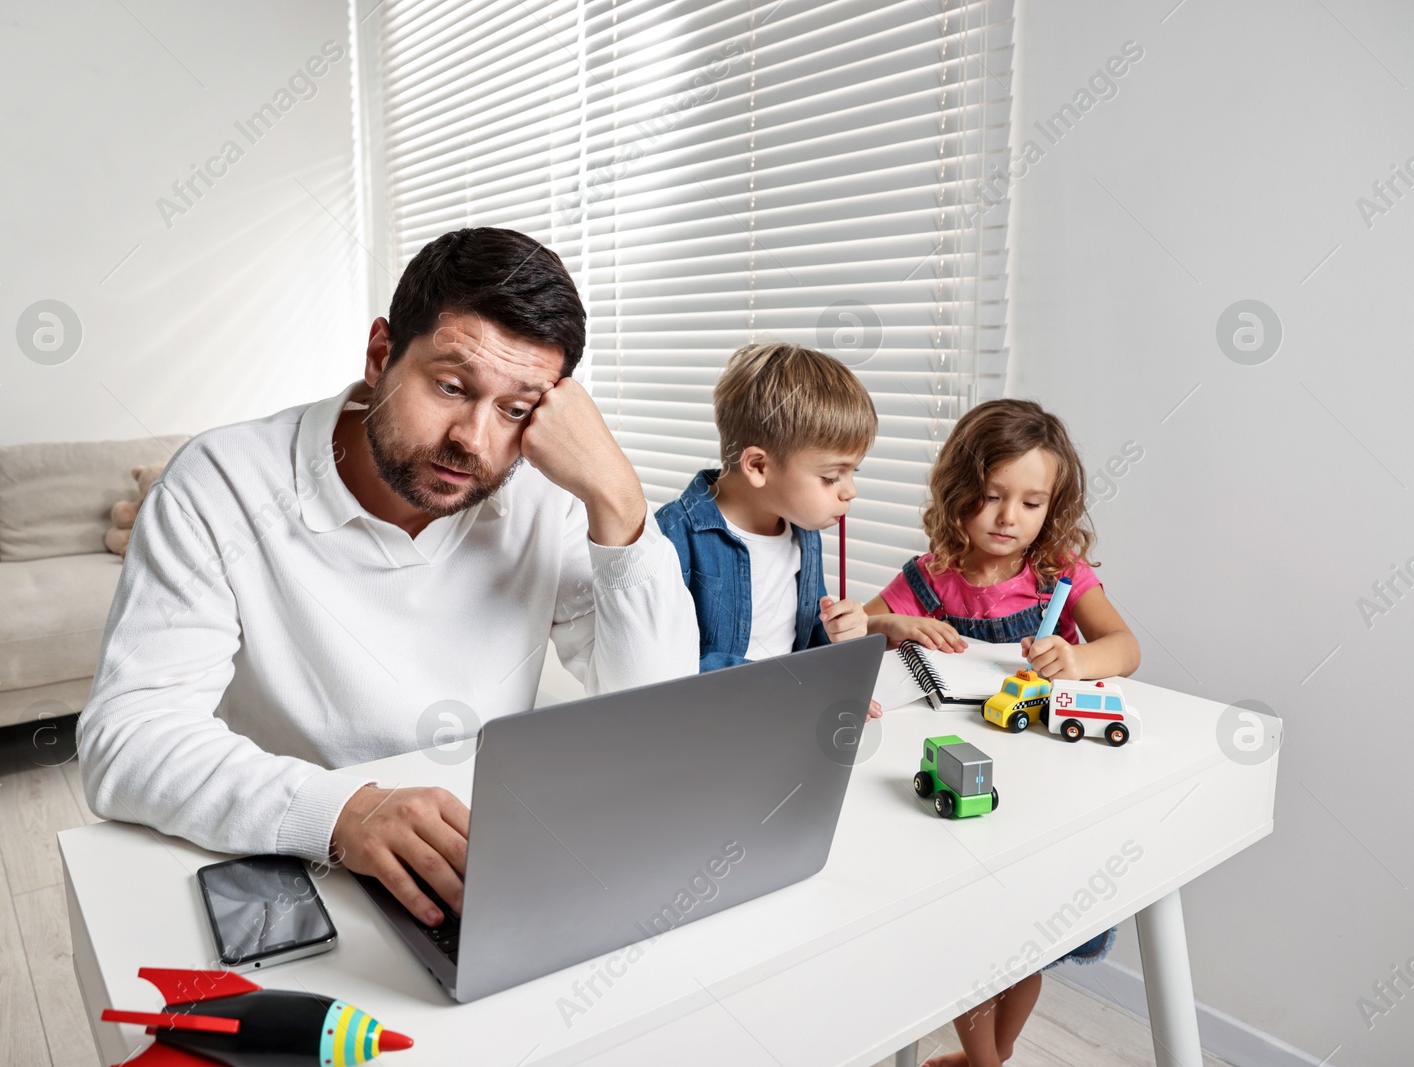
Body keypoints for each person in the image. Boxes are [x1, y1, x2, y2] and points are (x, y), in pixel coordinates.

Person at [77, 228, 699, 929]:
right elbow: (128, 738)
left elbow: (659, 724)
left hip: (481, 864)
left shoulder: (546, 493)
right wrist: (343, 811)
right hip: (292, 857)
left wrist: (617, 499)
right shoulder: (221, 483)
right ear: (381, 354)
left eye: (515, 409)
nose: (474, 438)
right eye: (450, 386)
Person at [865, 397, 1140, 1067]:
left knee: (1026, 941)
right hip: (962, 780)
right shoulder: (930, 577)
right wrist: (892, 624)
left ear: (1054, 506)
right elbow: (857, 629)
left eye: (1031, 501)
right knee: (971, 939)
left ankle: (993, 1056)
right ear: (958, 490)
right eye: (991, 496)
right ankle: (985, 1061)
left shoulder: (1058, 575)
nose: (1008, 518)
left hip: (1045, 783)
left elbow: (1124, 647)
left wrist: (1075, 660)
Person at [656, 342, 878, 688]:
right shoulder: (670, 537)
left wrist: (841, 635)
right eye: (832, 476)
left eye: (853, 473)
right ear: (758, 466)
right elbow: (663, 662)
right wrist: (781, 682)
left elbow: (803, 634)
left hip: (786, 708)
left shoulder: (803, 531)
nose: (850, 491)